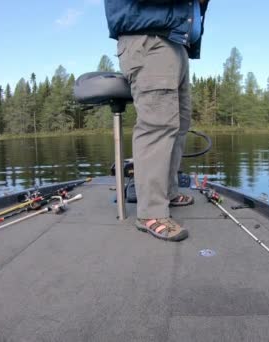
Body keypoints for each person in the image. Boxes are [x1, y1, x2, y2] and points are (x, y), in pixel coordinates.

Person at [104, 0, 209, 242]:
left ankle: (168, 192)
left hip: (175, 43)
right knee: (158, 126)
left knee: (178, 124)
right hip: (149, 40)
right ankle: (151, 212)